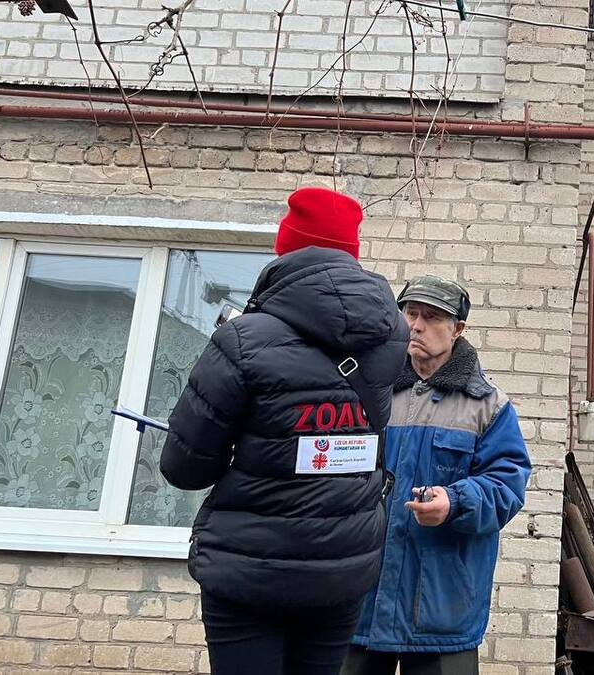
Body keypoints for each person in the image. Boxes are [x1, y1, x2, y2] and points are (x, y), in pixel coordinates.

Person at [160, 186, 408, 675]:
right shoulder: (392, 336)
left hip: (251, 567)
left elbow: (184, 467)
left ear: (285, 247)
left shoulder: (242, 339)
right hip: (343, 565)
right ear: (351, 253)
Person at [342, 275, 532, 675]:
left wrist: (456, 502)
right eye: (410, 313)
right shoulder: (369, 391)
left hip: (440, 602)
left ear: (458, 329)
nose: (416, 325)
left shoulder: (488, 406)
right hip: (361, 596)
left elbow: (507, 483)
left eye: (431, 317)